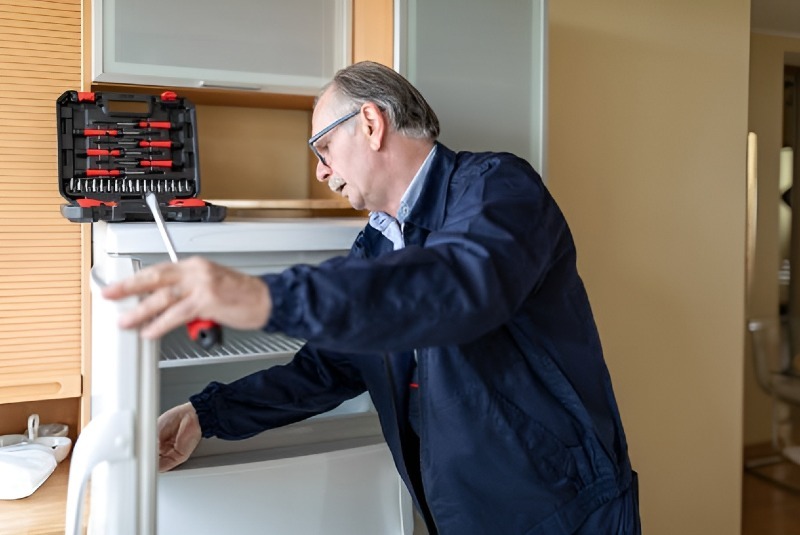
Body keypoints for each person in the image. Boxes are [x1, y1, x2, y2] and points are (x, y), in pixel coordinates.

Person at [102, 61, 641, 534]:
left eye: (323, 148)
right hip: (464, 515)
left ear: (370, 123)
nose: (320, 171)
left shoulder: (498, 187)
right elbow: (327, 368)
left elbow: (454, 287)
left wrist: (264, 295)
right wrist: (206, 414)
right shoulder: (376, 245)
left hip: (568, 509)